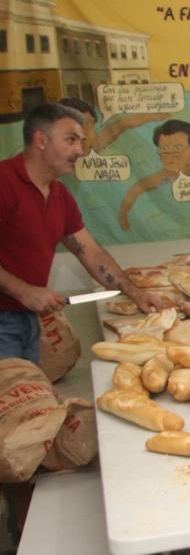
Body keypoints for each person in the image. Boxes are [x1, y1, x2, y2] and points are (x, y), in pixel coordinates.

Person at [0, 103, 165, 361]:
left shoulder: (60, 196)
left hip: (26, 318)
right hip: (4, 319)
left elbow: (92, 253)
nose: (80, 150)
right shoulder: (4, 182)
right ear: (41, 140)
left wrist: (138, 295)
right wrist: (25, 291)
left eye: (81, 141)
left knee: (23, 396)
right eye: (71, 140)